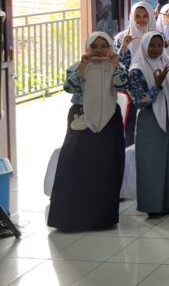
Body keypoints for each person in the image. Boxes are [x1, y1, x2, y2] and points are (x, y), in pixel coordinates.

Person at [48, 32, 126, 232]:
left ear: (110, 47)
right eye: (95, 46)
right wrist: (82, 69)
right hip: (81, 117)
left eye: (104, 46)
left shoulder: (116, 67)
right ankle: (71, 215)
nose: (99, 50)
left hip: (109, 120)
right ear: (87, 48)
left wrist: (116, 65)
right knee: (74, 163)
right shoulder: (77, 67)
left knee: (105, 167)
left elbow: (120, 84)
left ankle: (101, 218)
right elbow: (69, 87)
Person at [127, 31, 169, 217]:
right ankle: (154, 206)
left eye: (159, 45)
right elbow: (141, 102)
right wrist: (158, 85)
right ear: (144, 46)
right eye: (152, 45)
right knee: (153, 163)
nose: (156, 49)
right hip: (150, 121)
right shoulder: (136, 70)